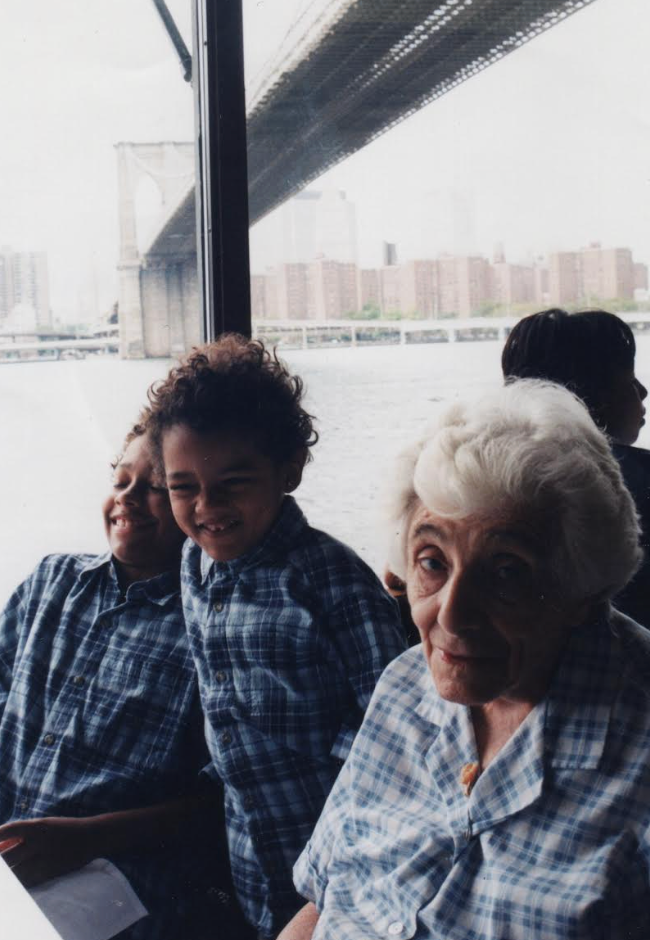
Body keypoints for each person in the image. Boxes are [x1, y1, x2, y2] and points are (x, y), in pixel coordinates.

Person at [281, 381, 650, 940]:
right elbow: (327, 898)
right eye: (432, 562)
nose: (451, 617)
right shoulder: (405, 686)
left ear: (581, 589)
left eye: (506, 572)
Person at [146, 334, 407, 940]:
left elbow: (394, 729)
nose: (207, 506)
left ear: (287, 469)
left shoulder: (329, 580)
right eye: (184, 486)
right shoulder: (193, 566)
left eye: (233, 482)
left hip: (338, 862)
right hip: (245, 857)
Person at [0, 410, 224, 940]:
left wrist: (83, 839)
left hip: (123, 870)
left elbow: (216, 796)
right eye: (120, 481)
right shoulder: (50, 582)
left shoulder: (210, 628)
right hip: (2, 845)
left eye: (152, 489)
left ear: (194, 507)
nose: (126, 497)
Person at [502, 307, 650, 625]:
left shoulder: (492, 483)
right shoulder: (641, 474)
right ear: (596, 395)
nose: (643, 391)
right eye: (629, 379)